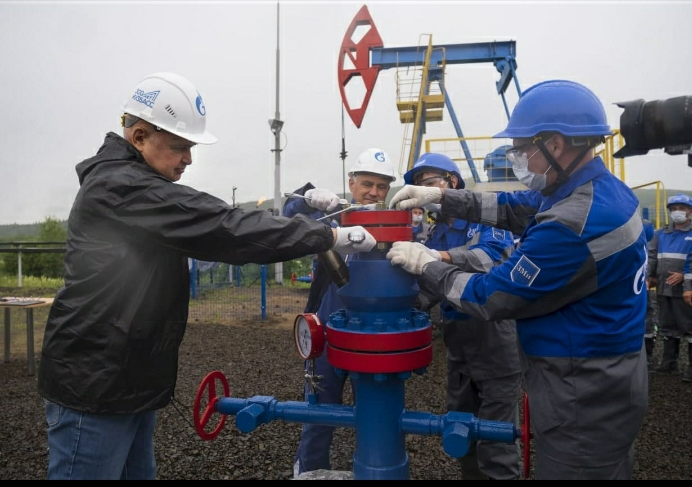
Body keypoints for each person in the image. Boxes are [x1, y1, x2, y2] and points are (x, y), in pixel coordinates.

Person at [37, 72, 378, 481]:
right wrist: (331, 235)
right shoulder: (122, 188)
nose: (188, 158)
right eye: (180, 146)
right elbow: (226, 227)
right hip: (94, 385)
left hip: (124, 379)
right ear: (140, 136)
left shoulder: (135, 184)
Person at [386, 79, 649, 480]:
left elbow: (492, 295)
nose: (518, 159)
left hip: (584, 388)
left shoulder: (571, 224)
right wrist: (441, 197)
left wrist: (428, 265)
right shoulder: (596, 191)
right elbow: (513, 206)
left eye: (523, 149)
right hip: (607, 372)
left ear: (555, 145)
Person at [403, 152, 522, 480]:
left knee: (497, 442)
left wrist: (436, 257)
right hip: (459, 349)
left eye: (429, 183)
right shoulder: (435, 232)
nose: (423, 191)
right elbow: (431, 289)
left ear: (452, 182)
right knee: (461, 433)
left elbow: (492, 259)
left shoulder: (486, 219)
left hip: (495, 343)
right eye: (418, 186)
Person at [282, 147, 396, 477]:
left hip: (372, 340)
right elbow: (289, 217)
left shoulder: (394, 229)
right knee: (318, 415)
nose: (373, 192)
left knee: (375, 418)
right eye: (367, 184)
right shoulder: (333, 221)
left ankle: (375, 468)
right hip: (327, 336)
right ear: (351, 182)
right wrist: (308, 199)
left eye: (382, 186)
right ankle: (310, 470)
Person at [647, 193, 692, 381]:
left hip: (685, 290)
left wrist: (684, 278)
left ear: (689, 211)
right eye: (674, 209)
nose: (677, 212)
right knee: (667, 325)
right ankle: (668, 363)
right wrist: (649, 277)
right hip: (664, 288)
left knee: (689, 326)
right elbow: (652, 256)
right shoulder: (660, 234)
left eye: (682, 208)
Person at [642, 219, 658, 370]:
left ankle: (647, 355)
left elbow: (651, 255)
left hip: (640, 280)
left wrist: (648, 276)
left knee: (646, 313)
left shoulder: (645, 226)